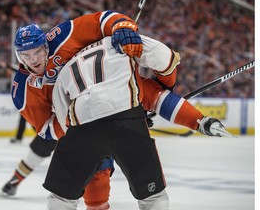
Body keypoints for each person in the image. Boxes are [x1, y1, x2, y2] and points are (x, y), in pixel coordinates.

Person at [45, 35, 233, 209]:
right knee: (153, 197)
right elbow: (163, 68)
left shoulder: (66, 65)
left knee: (62, 197)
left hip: (83, 125)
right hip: (126, 120)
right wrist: (198, 120)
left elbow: (65, 118)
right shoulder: (120, 38)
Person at [0, 10, 143, 210]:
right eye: (26, 55)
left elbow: (102, 20)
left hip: (96, 107)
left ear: (46, 45)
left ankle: (98, 202)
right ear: (19, 55)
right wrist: (75, 121)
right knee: (43, 147)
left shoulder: (63, 36)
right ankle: (15, 180)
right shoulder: (22, 89)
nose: (33, 60)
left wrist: (121, 27)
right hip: (64, 125)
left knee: (101, 163)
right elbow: (46, 130)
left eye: (38, 51)